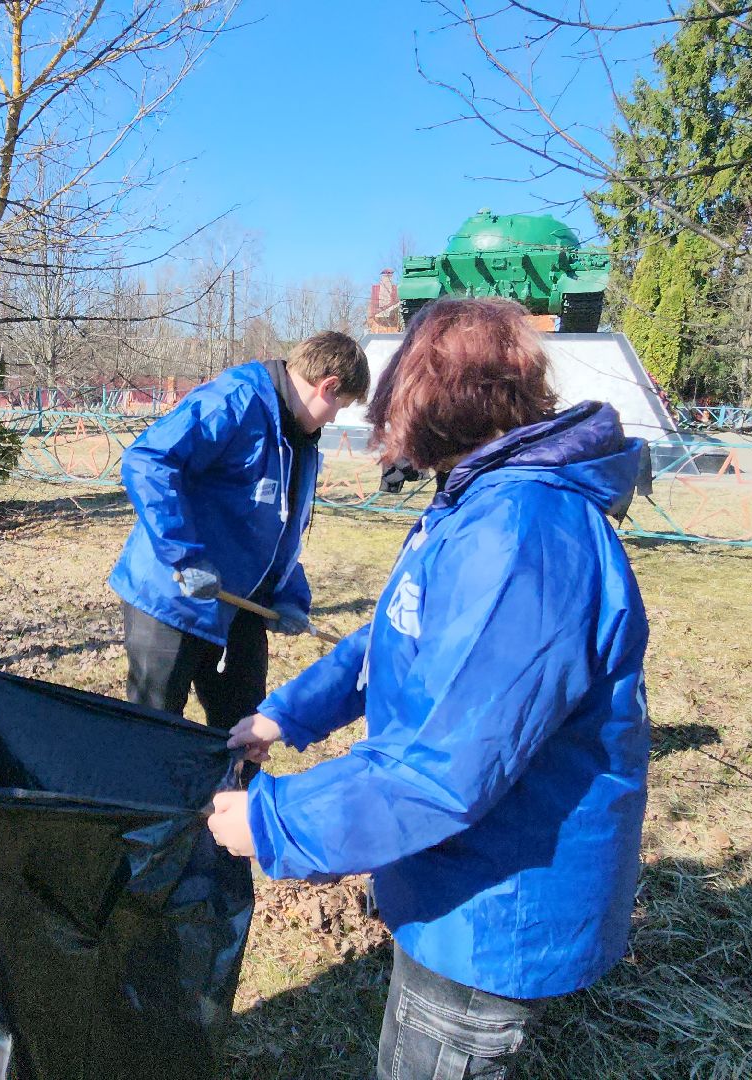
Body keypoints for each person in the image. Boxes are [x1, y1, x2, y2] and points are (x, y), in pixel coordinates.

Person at [206, 297, 651, 1079]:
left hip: (493, 896)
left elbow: (448, 767)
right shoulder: (475, 502)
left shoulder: (524, 536)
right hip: (451, 872)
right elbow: (394, 636)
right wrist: (284, 716)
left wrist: (277, 820)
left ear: (436, 402)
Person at [108, 332, 370, 728]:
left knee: (243, 729)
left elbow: (279, 526)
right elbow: (148, 462)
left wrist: (289, 595)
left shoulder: (301, 440)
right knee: (153, 730)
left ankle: (232, 791)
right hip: (172, 596)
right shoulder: (236, 400)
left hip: (239, 606)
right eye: (341, 407)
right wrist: (186, 555)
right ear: (327, 387)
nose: (334, 419)